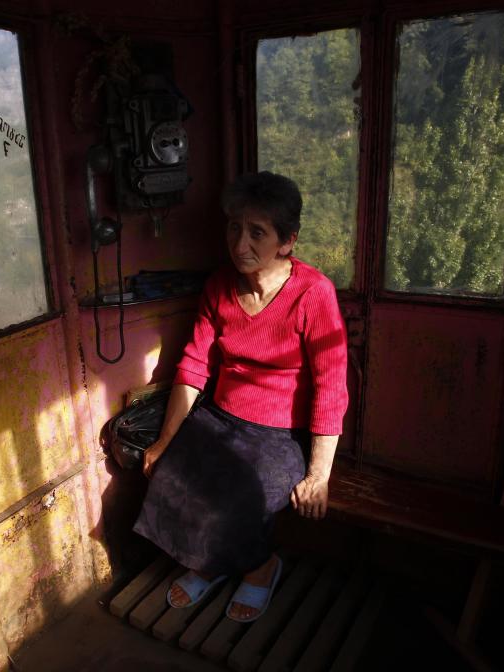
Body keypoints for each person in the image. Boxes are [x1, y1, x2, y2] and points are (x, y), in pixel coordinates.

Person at [132, 171, 348, 622]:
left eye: (257, 233)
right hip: (221, 418)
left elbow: (331, 386)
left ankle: (260, 568)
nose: (240, 243)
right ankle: (206, 563)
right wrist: (166, 440)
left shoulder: (314, 294)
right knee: (170, 475)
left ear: (287, 242)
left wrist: (319, 475)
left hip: (281, 434)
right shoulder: (219, 286)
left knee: (246, 495)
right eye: (234, 228)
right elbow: (193, 366)